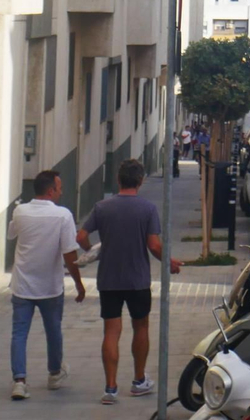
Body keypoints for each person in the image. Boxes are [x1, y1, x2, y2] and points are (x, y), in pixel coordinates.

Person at [77, 158, 182, 404]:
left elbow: (81, 236)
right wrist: (170, 262)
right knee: (141, 327)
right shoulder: (147, 209)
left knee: (111, 331)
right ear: (141, 181)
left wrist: (93, 249)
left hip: (109, 279)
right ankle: (138, 381)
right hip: (137, 280)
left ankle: (110, 388)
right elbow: (154, 245)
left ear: (118, 180)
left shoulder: (102, 207)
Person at [6, 169, 85, 401]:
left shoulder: (20, 211)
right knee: (53, 331)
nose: (61, 192)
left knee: (19, 333)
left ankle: (19, 381)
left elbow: (12, 234)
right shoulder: (62, 216)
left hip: (22, 284)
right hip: (50, 286)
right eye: (59, 188)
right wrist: (79, 284)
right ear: (50, 191)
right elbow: (70, 253)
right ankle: (54, 374)